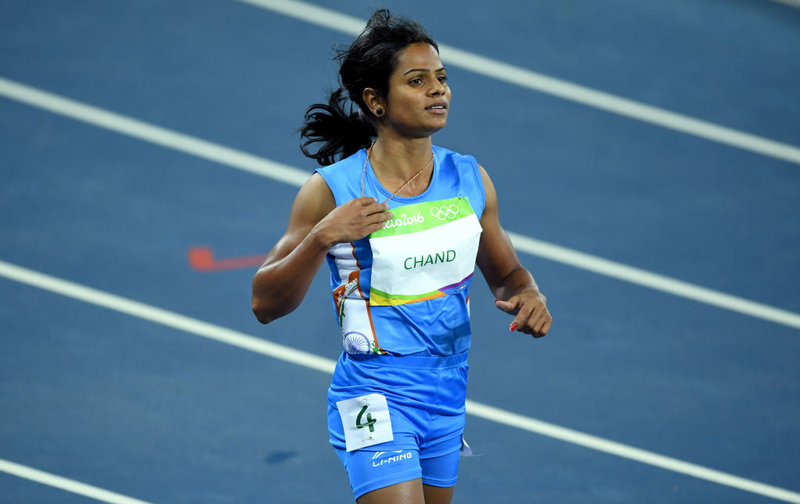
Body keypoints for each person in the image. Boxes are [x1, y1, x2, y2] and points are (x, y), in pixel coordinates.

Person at [251, 9, 552, 504]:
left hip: (447, 392)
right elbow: (265, 303)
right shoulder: (332, 191)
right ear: (376, 101)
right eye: (417, 81)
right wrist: (322, 238)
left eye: (441, 78)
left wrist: (528, 293)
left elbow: (506, 274)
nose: (438, 90)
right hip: (374, 391)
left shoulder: (470, 179)